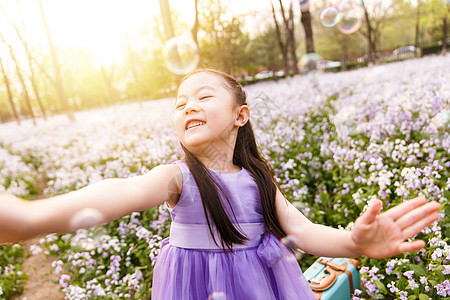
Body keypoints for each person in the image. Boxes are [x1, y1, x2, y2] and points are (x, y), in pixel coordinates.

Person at [0, 69, 441, 299]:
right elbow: (116, 192)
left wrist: (355, 243)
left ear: (240, 115)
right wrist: (27, 216)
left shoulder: (259, 179)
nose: (188, 105)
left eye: (203, 96)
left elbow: (304, 232)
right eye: (179, 102)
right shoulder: (177, 178)